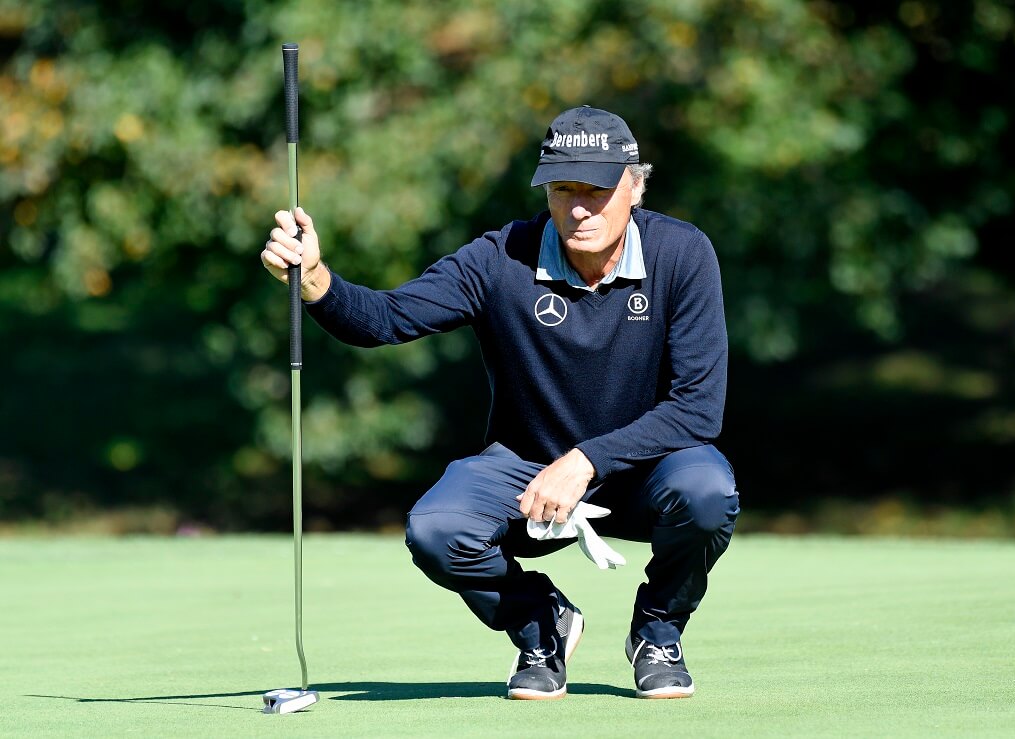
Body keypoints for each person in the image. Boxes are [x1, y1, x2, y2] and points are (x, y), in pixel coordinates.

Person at [261, 106, 739, 700]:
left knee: (708, 493)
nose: (580, 208)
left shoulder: (683, 253)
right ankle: (540, 623)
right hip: (526, 467)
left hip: (647, 467)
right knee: (436, 529)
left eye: (598, 189)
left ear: (635, 186)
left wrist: (585, 460)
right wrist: (315, 280)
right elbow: (387, 318)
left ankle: (658, 632)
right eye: (563, 190)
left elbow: (697, 408)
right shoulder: (499, 257)